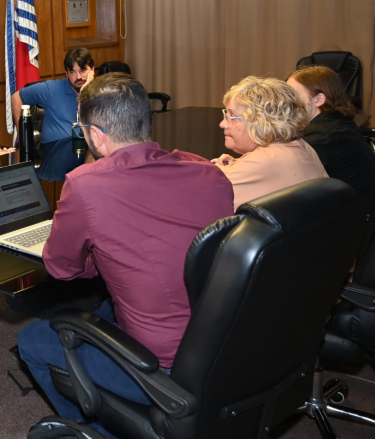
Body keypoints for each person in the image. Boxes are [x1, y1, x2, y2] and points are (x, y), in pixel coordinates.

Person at [16, 73, 234, 428]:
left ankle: (95, 430)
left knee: (31, 340)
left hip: (163, 369)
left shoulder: (85, 185)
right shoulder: (208, 171)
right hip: (226, 344)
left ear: (96, 135)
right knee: (106, 308)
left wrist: (101, 257)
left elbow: (61, 268)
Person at [212, 76, 328, 210]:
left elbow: (203, 195)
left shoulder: (265, 160)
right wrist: (238, 164)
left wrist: (213, 170)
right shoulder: (303, 147)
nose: (223, 124)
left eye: (232, 116)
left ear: (261, 121)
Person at [287, 65, 375, 214]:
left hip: (342, 220)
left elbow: (288, 175)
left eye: (293, 96)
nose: (286, 102)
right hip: (346, 210)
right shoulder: (336, 123)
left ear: (319, 99)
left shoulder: (324, 136)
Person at [11, 48, 94, 143]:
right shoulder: (51, 89)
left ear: (92, 70)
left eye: (83, 71)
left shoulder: (100, 92)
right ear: (66, 73)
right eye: (72, 72)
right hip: (55, 150)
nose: (78, 77)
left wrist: (86, 91)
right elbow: (16, 98)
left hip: (88, 149)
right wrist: (23, 137)